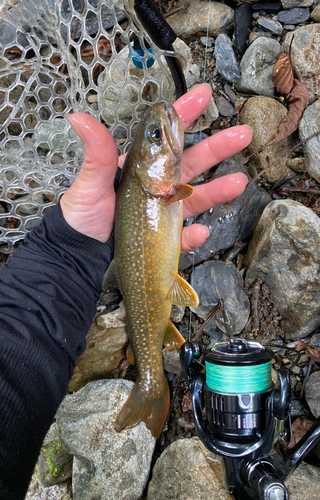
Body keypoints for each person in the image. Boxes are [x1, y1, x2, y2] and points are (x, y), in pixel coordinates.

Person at [0, 83, 252, 499]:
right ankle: (150, 381)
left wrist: (67, 252)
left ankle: (149, 379)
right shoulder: (158, 189)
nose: (163, 131)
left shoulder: (155, 186)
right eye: (156, 137)